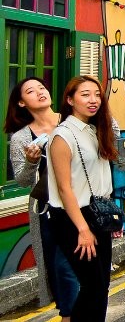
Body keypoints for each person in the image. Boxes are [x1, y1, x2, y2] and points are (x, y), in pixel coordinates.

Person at [5, 77, 78, 319]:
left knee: (83, 263)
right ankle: (68, 313)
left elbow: (109, 139)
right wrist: (32, 161)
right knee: (58, 264)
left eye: (42, 87)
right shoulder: (21, 138)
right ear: (22, 103)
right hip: (47, 209)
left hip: (83, 202)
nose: (39, 92)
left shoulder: (73, 120)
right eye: (30, 91)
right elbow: (23, 180)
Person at [47, 76, 118, 322]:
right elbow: (65, 189)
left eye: (97, 95)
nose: (93, 100)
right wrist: (83, 229)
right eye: (85, 94)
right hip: (74, 217)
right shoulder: (63, 136)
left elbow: (100, 178)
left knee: (101, 286)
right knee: (91, 286)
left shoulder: (95, 130)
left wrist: (110, 219)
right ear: (69, 99)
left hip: (98, 213)